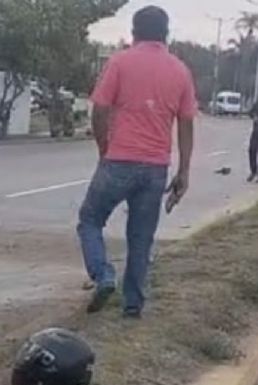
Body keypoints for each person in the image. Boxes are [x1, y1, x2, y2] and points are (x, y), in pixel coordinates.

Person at [78, 5, 196, 319]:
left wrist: (104, 148)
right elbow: (186, 124)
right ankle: (133, 306)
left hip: (118, 160)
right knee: (141, 238)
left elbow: (100, 109)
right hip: (156, 168)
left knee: (89, 220)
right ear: (166, 34)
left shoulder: (119, 62)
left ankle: (103, 275)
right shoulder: (180, 70)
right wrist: (183, 171)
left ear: (134, 32)